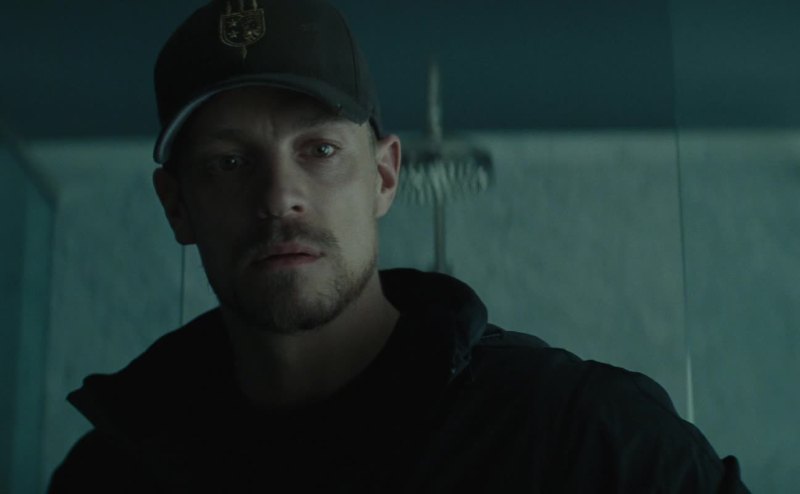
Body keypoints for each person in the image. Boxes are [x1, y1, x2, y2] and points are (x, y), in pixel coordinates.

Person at [49, 0, 750, 492]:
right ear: (177, 205)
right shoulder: (110, 475)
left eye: (320, 149)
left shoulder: (577, 434)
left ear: (384, 176)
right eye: (228, 163)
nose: (280, 196)